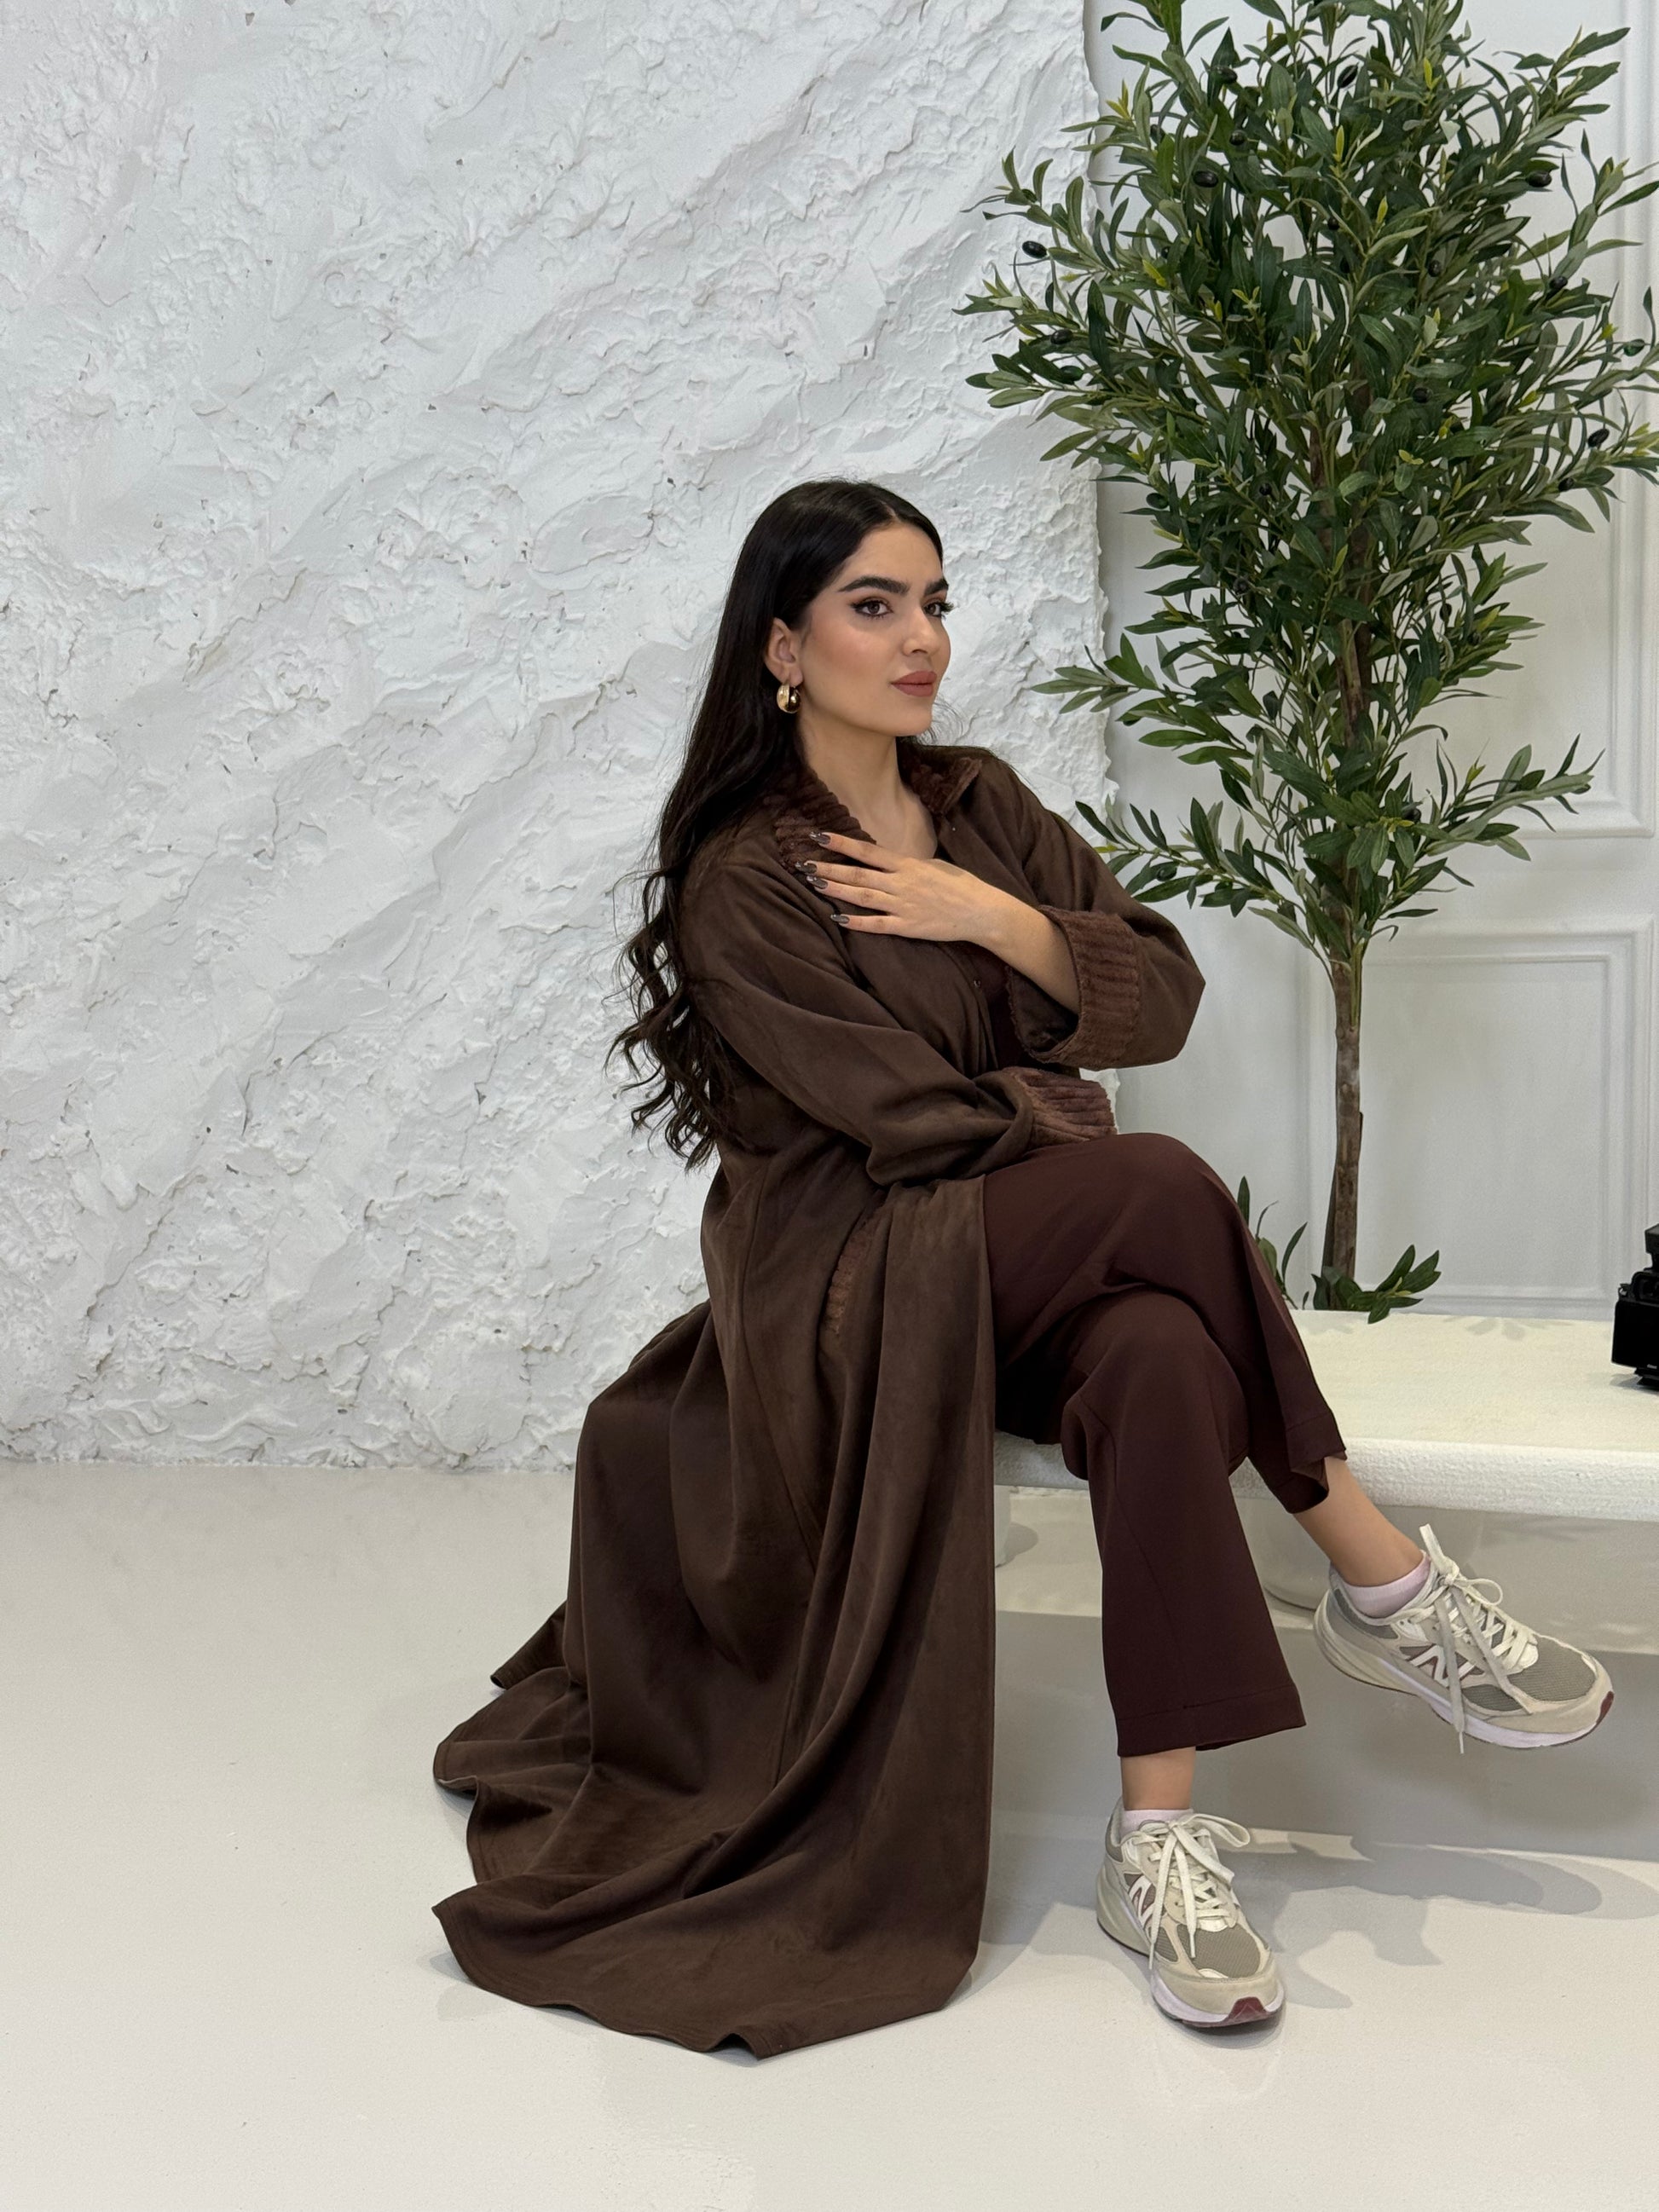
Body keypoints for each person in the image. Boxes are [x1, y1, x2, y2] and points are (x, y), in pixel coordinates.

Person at [430, 477, 1614, 2052]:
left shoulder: (980, 806)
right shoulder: (744, 876)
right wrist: (1055, 1085)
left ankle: (1156, 1841)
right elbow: (903, 1125)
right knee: (1161, 1183)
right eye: (873, 606)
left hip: (1013, 1243)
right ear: (782, 646)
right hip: (850, 1282)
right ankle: (1378, 1576)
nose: (919, 638)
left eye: (934, 602)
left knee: (1161, 1361)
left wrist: (995, 919)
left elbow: (1164, 999)